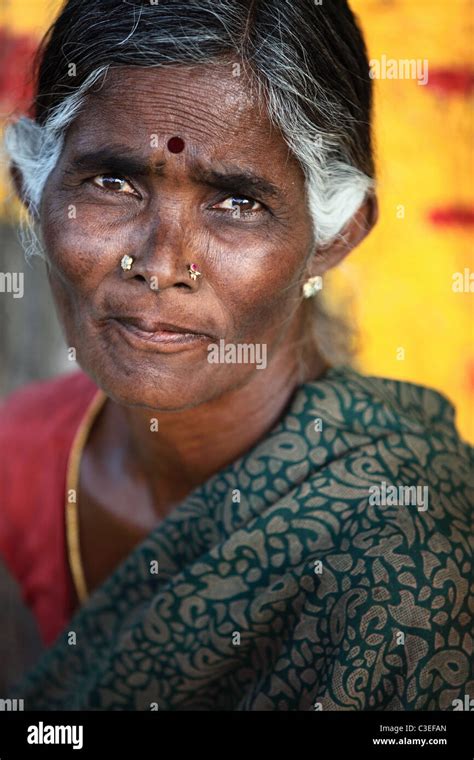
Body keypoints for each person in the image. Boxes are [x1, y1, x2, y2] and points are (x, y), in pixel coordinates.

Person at [1, 0, 472, 711]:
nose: (160, 264)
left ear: (335, 232)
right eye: (112, 183)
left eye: (237, 203)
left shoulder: (414, 565)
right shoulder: (17, 454)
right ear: (30, 188)